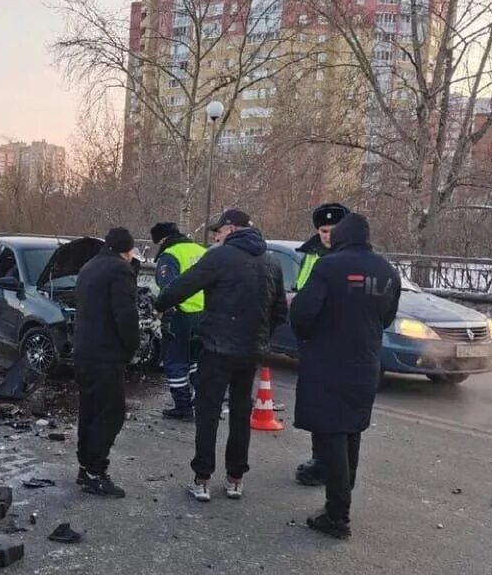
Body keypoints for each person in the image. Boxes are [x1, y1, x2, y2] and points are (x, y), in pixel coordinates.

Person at [154, 209, 287, 502]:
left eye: (219, 231)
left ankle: (202, 479)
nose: (216, 236)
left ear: (232, 229)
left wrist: (161, 302)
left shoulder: (219, 257)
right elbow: (280, 311)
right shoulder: (271, 261)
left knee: (208, 413)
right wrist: (260, 336)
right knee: (241, 414)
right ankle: (235, 479)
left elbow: (181, 287)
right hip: (251, 351)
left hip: (216, 348)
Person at [290, 213, 400, 538]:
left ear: (340, 237)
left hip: (328, 363)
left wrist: (310, 336)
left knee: (330, 434)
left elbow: (303, 313)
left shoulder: (329, 266)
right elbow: (386, 318)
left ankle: (337, 515)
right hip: (365, 364)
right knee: (352, 430)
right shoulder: (388, 271)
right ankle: (343, 497)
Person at [72, 227, 141, 498]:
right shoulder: (120, 272)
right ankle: (95, 472)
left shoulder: (89, 267)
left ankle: (85, 467)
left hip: (84, 351)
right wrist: (132, 347)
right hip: (106, 355)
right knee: (111, 414)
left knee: (88, 410)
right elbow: (125, 316)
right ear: (127, 250)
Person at [294, 202, 351, 487]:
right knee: (318, 406)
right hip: (315, 340)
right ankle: (321, 459)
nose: (327, 235)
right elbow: (302, 290)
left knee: (339, 411)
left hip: (341, 343)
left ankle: (335, 468)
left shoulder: (351, 257)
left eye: (333, 230)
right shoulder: (313, 254)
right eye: (323, 230)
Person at [150, 222, 206, 421]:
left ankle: (182, 406)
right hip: (204, 314)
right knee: (195, 360)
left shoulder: (170, 255)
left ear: (163, 240)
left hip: (181, 315)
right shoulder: (201, 250)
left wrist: (160, 310)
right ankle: (199, 400)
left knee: (175, 362)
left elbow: (169, 289)